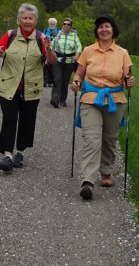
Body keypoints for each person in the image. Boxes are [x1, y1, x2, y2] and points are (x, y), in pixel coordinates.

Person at [71, 15, 134, 199]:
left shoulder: (122, 53)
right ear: (97, 31)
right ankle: (88, 181)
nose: (103, 29)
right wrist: (75, 83)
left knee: (109, 138)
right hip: (91, 98)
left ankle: (106, 170)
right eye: (100, 27)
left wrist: (129, 81)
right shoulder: (88, 51)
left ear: (113, 30)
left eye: (107, 26)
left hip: (115, 100)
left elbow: (126, 77)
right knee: (92, 139)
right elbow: (79, 73)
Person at [0, 3, 57, 172]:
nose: (27, 21)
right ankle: (7, 155)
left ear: (35, 20)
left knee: (27, 121)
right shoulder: (10, 35)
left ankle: (20, 152)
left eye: (30, 18)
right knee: (9, 119)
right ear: (19, 20)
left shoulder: (41, 38)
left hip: (31, 88)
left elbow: (53, 60)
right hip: (9, 86)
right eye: (24, 18)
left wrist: (48, 50)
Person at [50, 17, 82, 108]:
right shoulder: (58, 34)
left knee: (65, 80)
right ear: (62, 25)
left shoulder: (74, 35)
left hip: (69, 61)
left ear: (71, 26)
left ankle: (62, 100)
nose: (66, 25)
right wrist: (50, 57)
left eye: (68, 24)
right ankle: (55, 99)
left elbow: (79, 46)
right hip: (58, 60)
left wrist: (77, 54)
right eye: (64, 24)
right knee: (57, 79)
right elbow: (51, 46)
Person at [42, 18, 59, 87]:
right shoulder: (45, 31)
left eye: (53, 24)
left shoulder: (59, 31)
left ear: (55, 24)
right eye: (51, 24)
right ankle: (45, 81)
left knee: (53, 66)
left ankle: (51, 81)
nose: (52, 25)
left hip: (54, 51)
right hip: (46, 51)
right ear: (49, 24)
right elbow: (42, 39)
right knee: (46, 65)